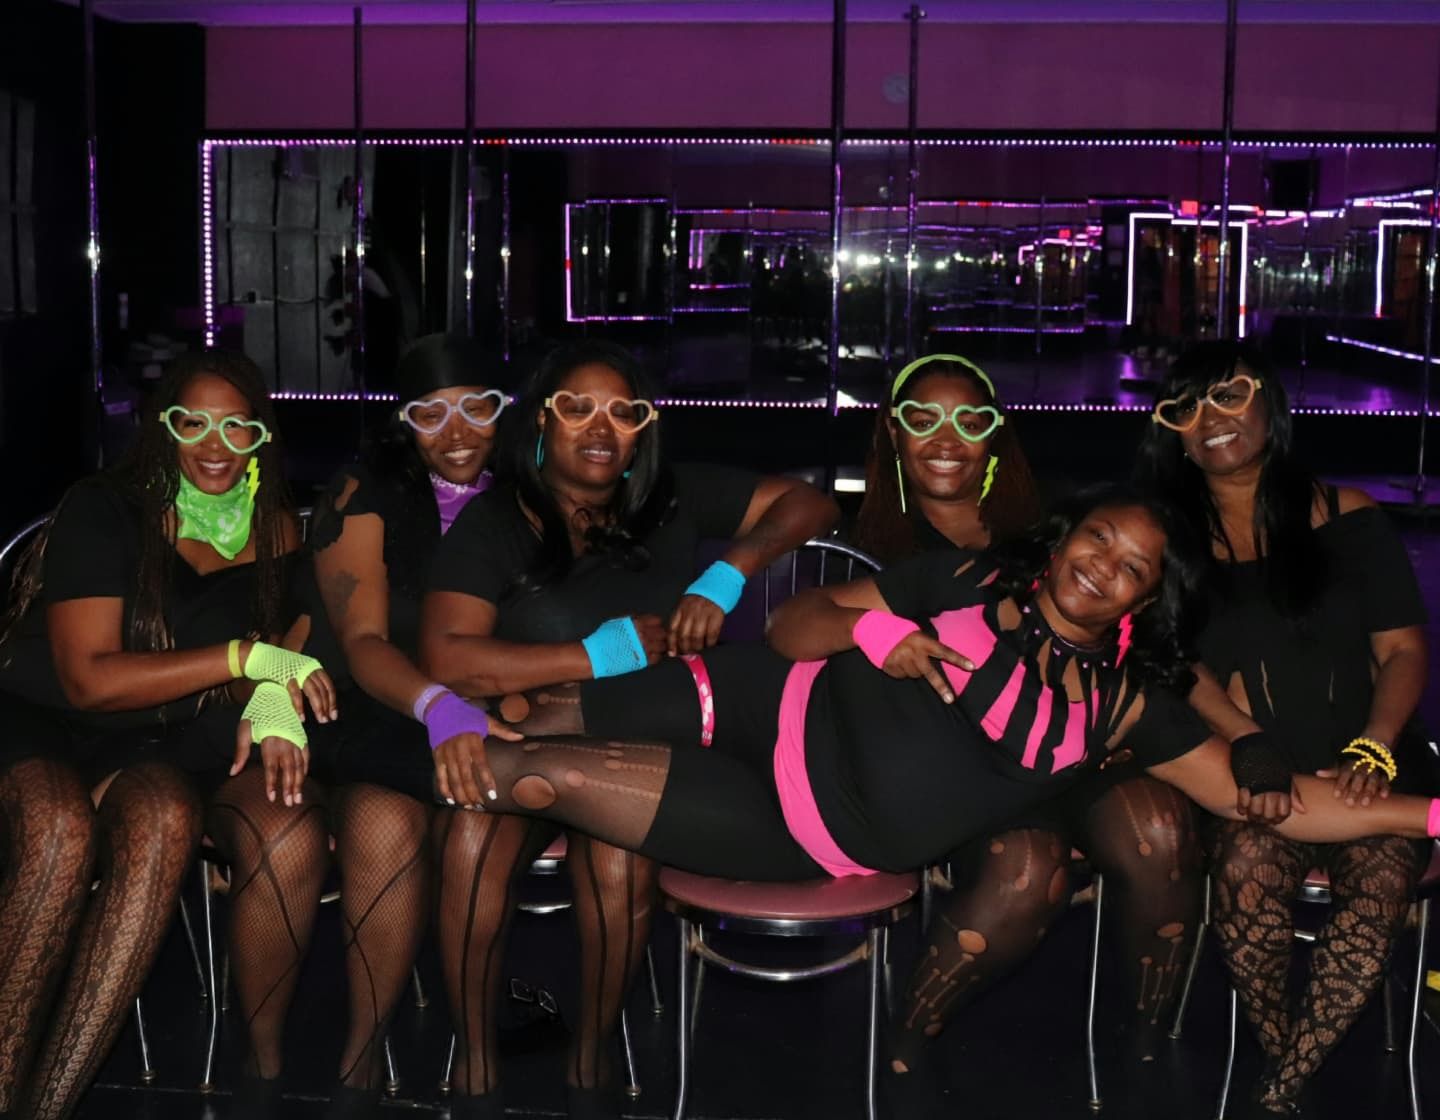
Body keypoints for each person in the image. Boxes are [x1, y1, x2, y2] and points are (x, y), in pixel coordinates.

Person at [478, 486, 1440, 1117]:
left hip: (795, 824)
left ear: (1145, 601)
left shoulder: (1126, 707)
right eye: (1098, 537)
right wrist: (878, 632)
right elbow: (794, 628)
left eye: (1133, 566)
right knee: (525, 714)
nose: (1102, 564)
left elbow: (1279, 804)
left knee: (529, 772)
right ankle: (411, 733)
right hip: (756, 698)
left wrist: (1428, 817)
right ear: (1067, 537)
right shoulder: (966, 577)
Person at [417, 339, 839, 1119]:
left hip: (641, 742)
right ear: (542, 420)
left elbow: (811, 504)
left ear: (644, 428)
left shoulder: (669, 498)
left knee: (617, 857)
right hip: (526, 734)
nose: (601, 427)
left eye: (624, 411)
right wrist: (591, 654)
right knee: (470, 840)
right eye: (577, 408)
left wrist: (729, 570)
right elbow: (449, 657)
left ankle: (593, 1061)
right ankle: (472, 1060)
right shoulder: (496, 520)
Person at [0, 351, 335, 1120]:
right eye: (193, 423)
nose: (214, 444)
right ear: (164, 428)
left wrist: (273, 694)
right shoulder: (105, 507)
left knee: (166, 820)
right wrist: (245, 657)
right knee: (57, 831)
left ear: (262, 437)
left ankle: (49, 1106)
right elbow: (88, 680)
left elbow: (295, 639)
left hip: (147, 741)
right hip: (40, 716)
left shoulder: (282, 534)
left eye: (236, 426)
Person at [856, 354, 1204, 1079]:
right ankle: (905, 1048)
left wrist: (1247, 735)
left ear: (995, 434)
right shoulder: (874, 546)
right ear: (892, 431)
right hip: (968, 768)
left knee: (1160, 828)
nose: (946, 438)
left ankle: (1149, 1036)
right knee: (1028, 866)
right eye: (923, 418)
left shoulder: (1058, 531)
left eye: (968, 420)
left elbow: (1161, 654)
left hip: (1084, 746)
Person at [1137, 341, 1432, 1118]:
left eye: (1229, 394)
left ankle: (1280, 1089)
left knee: (1380, 879)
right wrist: (1248, 738)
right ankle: (1282, 1057)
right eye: (1186, 407)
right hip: (1248, 765)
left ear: (1269, 400)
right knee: (1247, 869)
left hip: (1368, 753)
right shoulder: (1169, 542)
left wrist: (1377, 743)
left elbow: (1402, 650)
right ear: (1174, 436)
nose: (1211, 418)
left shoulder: (1350, 515)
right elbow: (1177, 665)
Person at [303, 334, 518, 1118]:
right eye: (430, 413)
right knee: (386, 824)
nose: (456, 432)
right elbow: (361, 643)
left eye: (475, 408)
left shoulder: (534, 488)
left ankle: (478, 1049)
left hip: (501, 714)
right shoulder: (366, 490)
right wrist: (439, 708)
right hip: (376, 707)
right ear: (403, 422)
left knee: (472, 819)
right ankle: (360, 1061)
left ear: (504, 411)